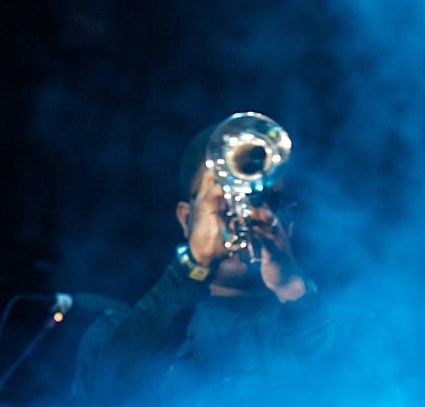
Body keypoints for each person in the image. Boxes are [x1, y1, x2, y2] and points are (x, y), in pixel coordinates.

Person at [73, 120, 402, 406]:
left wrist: (294, 291)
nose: (239, 212)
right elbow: (101, 395)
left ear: (290, 220)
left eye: (263, 198)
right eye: (221, 199)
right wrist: (191, 268)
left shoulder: (355, 327)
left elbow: (363, 395)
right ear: (187, 220)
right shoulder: (120, 329)